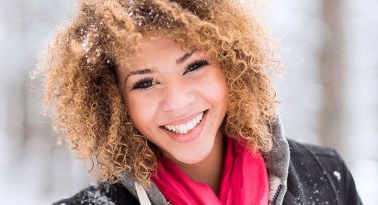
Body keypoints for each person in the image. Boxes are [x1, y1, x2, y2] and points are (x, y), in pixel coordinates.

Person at [37, 0, 362, 204]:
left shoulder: (325, 176)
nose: (177, 101)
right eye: (146, 83)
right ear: (114, 101)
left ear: (230, 65)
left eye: (193, 67)